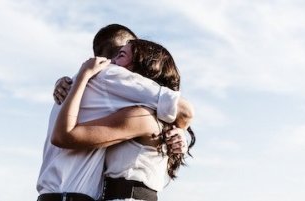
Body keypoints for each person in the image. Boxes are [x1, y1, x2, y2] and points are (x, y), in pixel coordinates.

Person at [36, 24, 193, 201]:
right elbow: (184, 111)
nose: (114, 64)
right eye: (122, 53)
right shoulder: (109, 79)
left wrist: (179, 130)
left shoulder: (141, 114)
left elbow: (183, 112)